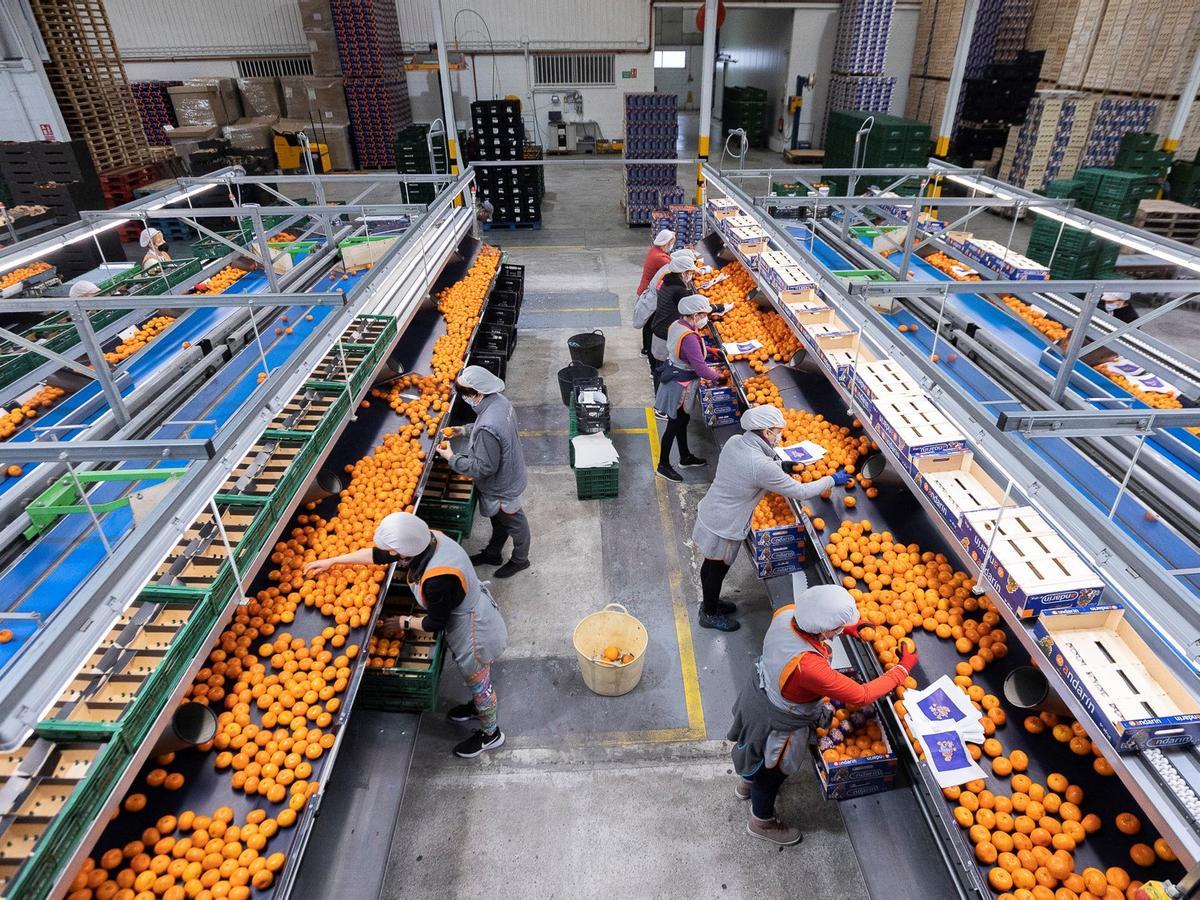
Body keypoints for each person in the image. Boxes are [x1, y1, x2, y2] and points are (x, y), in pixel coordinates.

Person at [305, 512, 509, 758]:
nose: (390, 555)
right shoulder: (427, 539)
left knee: (479, 682)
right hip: (464, 614)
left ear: (403, 553)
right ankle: (477, 707)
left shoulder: (438, 579)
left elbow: (436, 622)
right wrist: (333, 561)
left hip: (474, 628)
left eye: (394, 553)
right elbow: (378, 555)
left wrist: (403, 622)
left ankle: (491, 733)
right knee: (475, 681)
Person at [728, 584, 917, 844]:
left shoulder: (786, 613)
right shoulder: (808, 666)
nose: (838, 631)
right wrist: (902, 669)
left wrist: (847, 628)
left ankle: (746, 783)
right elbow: (862, 695)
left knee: (753, 749)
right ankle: (761, 822)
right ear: (825, 630)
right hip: (778, 721)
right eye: (837, 628)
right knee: (772, 773)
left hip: (756, 697)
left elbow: (813, 622)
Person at [692, 405, 849, 631]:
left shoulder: (736, 441)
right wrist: (832, 480)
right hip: (726, 524)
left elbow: (750, 468)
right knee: (717, 569)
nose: (779, 436)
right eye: (777, 431)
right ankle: (709, 613)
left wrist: (781, 466)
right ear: (766, 432)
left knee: (711, 563)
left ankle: (711, 602)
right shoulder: (761, 466)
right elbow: (801, 491)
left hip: (712, 510)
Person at [435, 365, 530, 578]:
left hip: (502, 484)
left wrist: (452, 458)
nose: (466, 398)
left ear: (478, 394)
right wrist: (464, 430)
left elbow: (484, 467)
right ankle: (493, 553)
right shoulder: (499, 402)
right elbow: (485, 426)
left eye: (467, 394)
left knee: (515, 523)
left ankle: (520, 560)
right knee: (500, 519)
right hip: (512, 469)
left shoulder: (488, 426)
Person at [654, 295, 723, 483]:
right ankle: (663, 465)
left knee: (682, 420)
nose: (705, 318)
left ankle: (685, 456)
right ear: (694, 315)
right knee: (673, 425)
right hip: (681, 386)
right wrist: (719, 377)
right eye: (703, 315)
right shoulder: (690, 336)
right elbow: (701, 370)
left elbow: (689, 351)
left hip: (673, 376)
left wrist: (712, 351)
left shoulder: (677, 324)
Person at [649, 249, 704, 392]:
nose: (691, 276)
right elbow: (690, 308)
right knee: (664, 372)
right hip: (664, 336)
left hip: (658, 330)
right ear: (683, 273)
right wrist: (715, 307)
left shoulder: (667, 280)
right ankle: (661, 399)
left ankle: (659, 395)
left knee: (659, 369)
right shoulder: (678, 290)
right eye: (690, 272)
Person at [638, 229, 675, 358]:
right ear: (666, 243)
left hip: (646, 290)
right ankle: (648, 351)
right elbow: (674, 267)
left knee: (648, 322)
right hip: (651, 295)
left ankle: (645, 349)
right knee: (651, 323)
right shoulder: (660, 258)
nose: (672, 245)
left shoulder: (655, 250)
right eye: (672, 243)